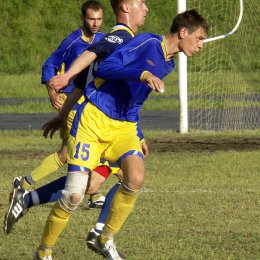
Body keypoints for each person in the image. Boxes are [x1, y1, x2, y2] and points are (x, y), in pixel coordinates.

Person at [34, 8, 209, 260]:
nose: (201, 44)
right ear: (183, 32)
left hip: (124, 126)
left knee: (135, 177)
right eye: (200, 38)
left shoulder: (168, 63)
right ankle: (43, 252)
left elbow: (132, 100)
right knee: (74, 195)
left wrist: (139, 134)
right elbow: (106, 68)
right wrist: (143, 73)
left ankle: (105, 238)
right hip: (93, 118)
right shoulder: (147, 42)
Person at [3, 0, 107, 235]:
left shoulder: (103, 40)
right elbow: (49, 64)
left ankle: (25, 184)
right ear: (83, 18)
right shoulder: (72, 41)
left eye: (99, 19)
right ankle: (92, 193)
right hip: (71, 102)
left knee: (68, 152)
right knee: (78, 150)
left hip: (90, 104)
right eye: (92, 19)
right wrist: (52, 91)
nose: (95, 24)